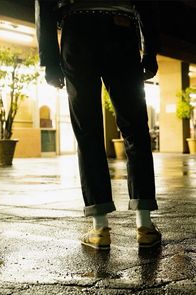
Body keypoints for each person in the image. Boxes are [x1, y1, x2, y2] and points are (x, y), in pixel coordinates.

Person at [35, 0, 161, 250]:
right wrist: (149, 51)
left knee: (87, 131)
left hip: (77, 28)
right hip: (121, 29)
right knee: (135, 128)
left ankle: (99, 228)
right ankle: (144, 225)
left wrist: (48, 59)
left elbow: (44, 3)